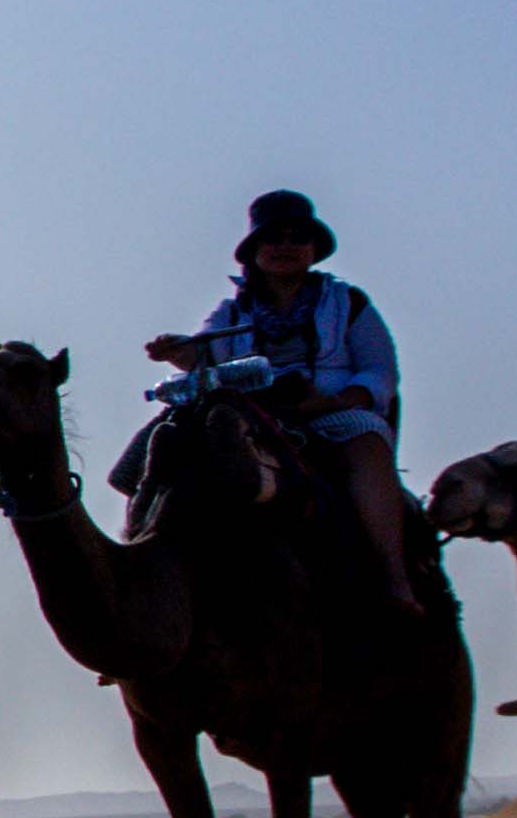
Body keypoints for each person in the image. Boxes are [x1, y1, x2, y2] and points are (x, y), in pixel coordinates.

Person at [139, 187, 426, 604]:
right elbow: (204, 357)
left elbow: (379, 371)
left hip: (330, 413)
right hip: (252, 412)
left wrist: (335, 401)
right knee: (164, 439)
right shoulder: (232, 312)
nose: (286, 247)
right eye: (274, 238)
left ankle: (392, 575)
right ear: (255, 250)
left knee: (367, 437)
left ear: (313, 249)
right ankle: (145, 574)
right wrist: (178, 352)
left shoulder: (347, 303)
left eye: (297, 238)